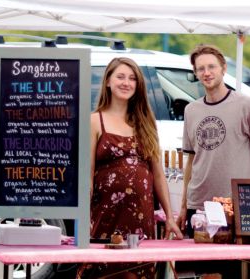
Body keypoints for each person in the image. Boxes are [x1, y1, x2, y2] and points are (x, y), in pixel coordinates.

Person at [176, 44, 250, 278]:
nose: (206, 72)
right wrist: (184, 205)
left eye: (211, 66)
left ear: (223, 69)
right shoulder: (191, 110)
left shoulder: (246, 105)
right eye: (200, 68)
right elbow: (191, 160)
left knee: (227, 272)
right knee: (203, 273)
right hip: (200, 206)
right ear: (195, 73)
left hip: (234, 207)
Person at [78, 57, 183, 279]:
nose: (126, 83)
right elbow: (86, 175)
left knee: (137, 270)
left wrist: (169, 217)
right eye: (120, 76)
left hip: (141, 216)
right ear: (108, 81)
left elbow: (158, 175)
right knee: (104, 270)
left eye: (132, 78)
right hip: (105, 214)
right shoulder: (95, 121)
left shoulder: (145, 121)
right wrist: (83, 217)